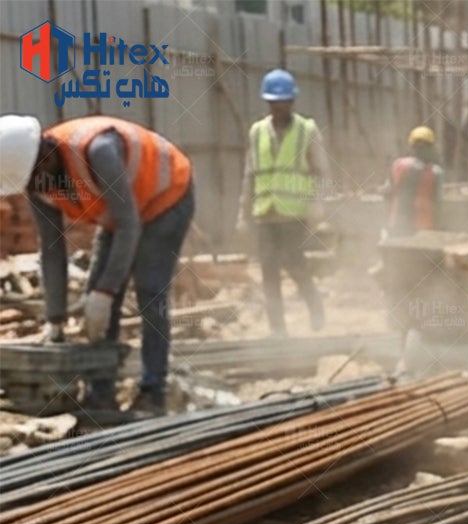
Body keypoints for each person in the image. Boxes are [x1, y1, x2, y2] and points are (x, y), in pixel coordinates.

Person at [0, 112, 194, 416]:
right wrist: (55, 320)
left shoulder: (98, 150)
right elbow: (52, 250)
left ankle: (153, 391)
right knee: (98, 296)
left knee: (150, 291)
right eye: (30, 182)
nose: (39, 185)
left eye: (38, 175)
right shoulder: (37, 184)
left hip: (166, 196)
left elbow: (130, 226)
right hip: (120, 215)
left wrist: (106, 289)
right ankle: (100, 394)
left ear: (46, 153)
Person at [238, 68, 327, 336]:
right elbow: (249, 175)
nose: (279, 108)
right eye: (274, 103)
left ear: (292, 101)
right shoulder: (257, 131)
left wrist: (318, 204)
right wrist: (243, 214)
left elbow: (321, 171)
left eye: (283, 102)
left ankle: (315, 306)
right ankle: (278, 329)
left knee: (295, 264)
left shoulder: (306, 130)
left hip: (293, 213)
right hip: (265, 213)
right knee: (268, 271)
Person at [384, 125, 441, 239]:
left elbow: (387, 192)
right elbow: (438, 201)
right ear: (431, 147)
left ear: (411, 146)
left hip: (396, 226)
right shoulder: (435, 172)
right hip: (423, 229)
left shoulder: (397, 165)